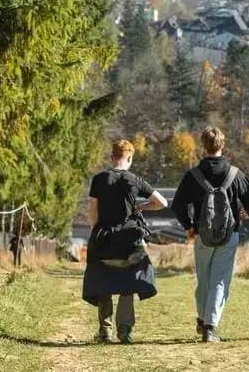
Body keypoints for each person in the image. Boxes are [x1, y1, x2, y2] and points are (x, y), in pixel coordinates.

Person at [172, 126, 249, 343]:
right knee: (220, 280)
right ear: (223, 144)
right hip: (229, 234)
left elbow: (177, 205)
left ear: (204, 145)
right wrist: (247, 213)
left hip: (202, 235)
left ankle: (202, 319)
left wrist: (189, 226)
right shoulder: (235, 174)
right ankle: (210, 327)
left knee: (203, 279)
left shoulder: (193, 175)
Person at [82, 139, 168, 344]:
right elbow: (162, 203)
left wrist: (97, 230)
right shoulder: (135, 180)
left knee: (102, 281)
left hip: (104, 236)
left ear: (112, 157)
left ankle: (105, 331)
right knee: (128, 281)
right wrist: (141, 207)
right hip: (129, 239)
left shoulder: (99, 179)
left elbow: (93, 213)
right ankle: (124, 330)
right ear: (129, 158)